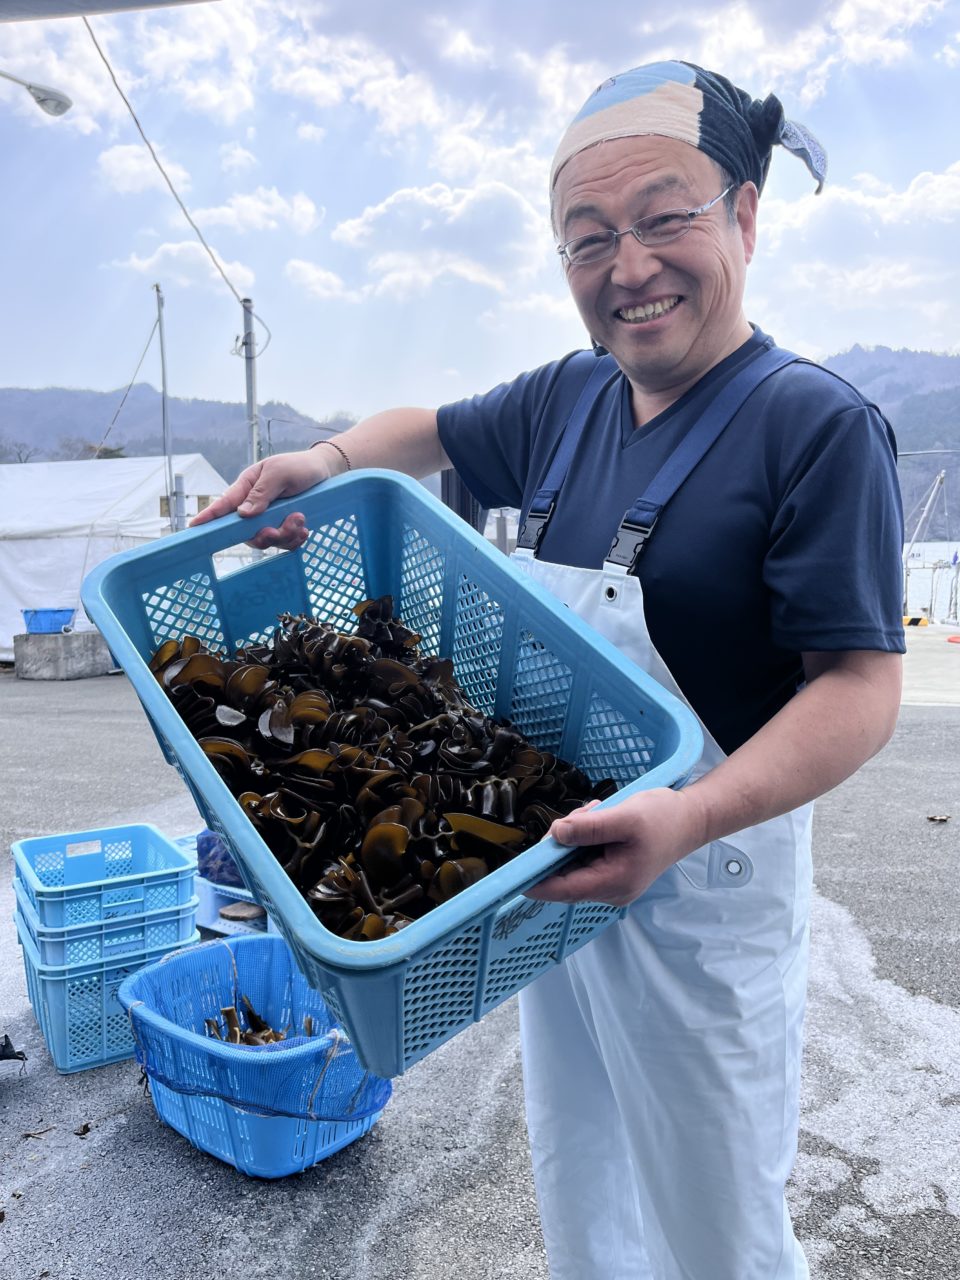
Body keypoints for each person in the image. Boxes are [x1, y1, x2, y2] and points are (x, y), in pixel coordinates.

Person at [192, 61, 905, 1280]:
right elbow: (429, 431)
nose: (630, 265)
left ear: (745, 212)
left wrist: (690, 813)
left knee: (717, 1213)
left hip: (705, 880)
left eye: (667, 216)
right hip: (553, 865)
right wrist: (323, 456)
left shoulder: (814, 424)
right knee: (584, 1171)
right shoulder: (573, 395)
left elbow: (859, 685)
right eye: (590, 237)